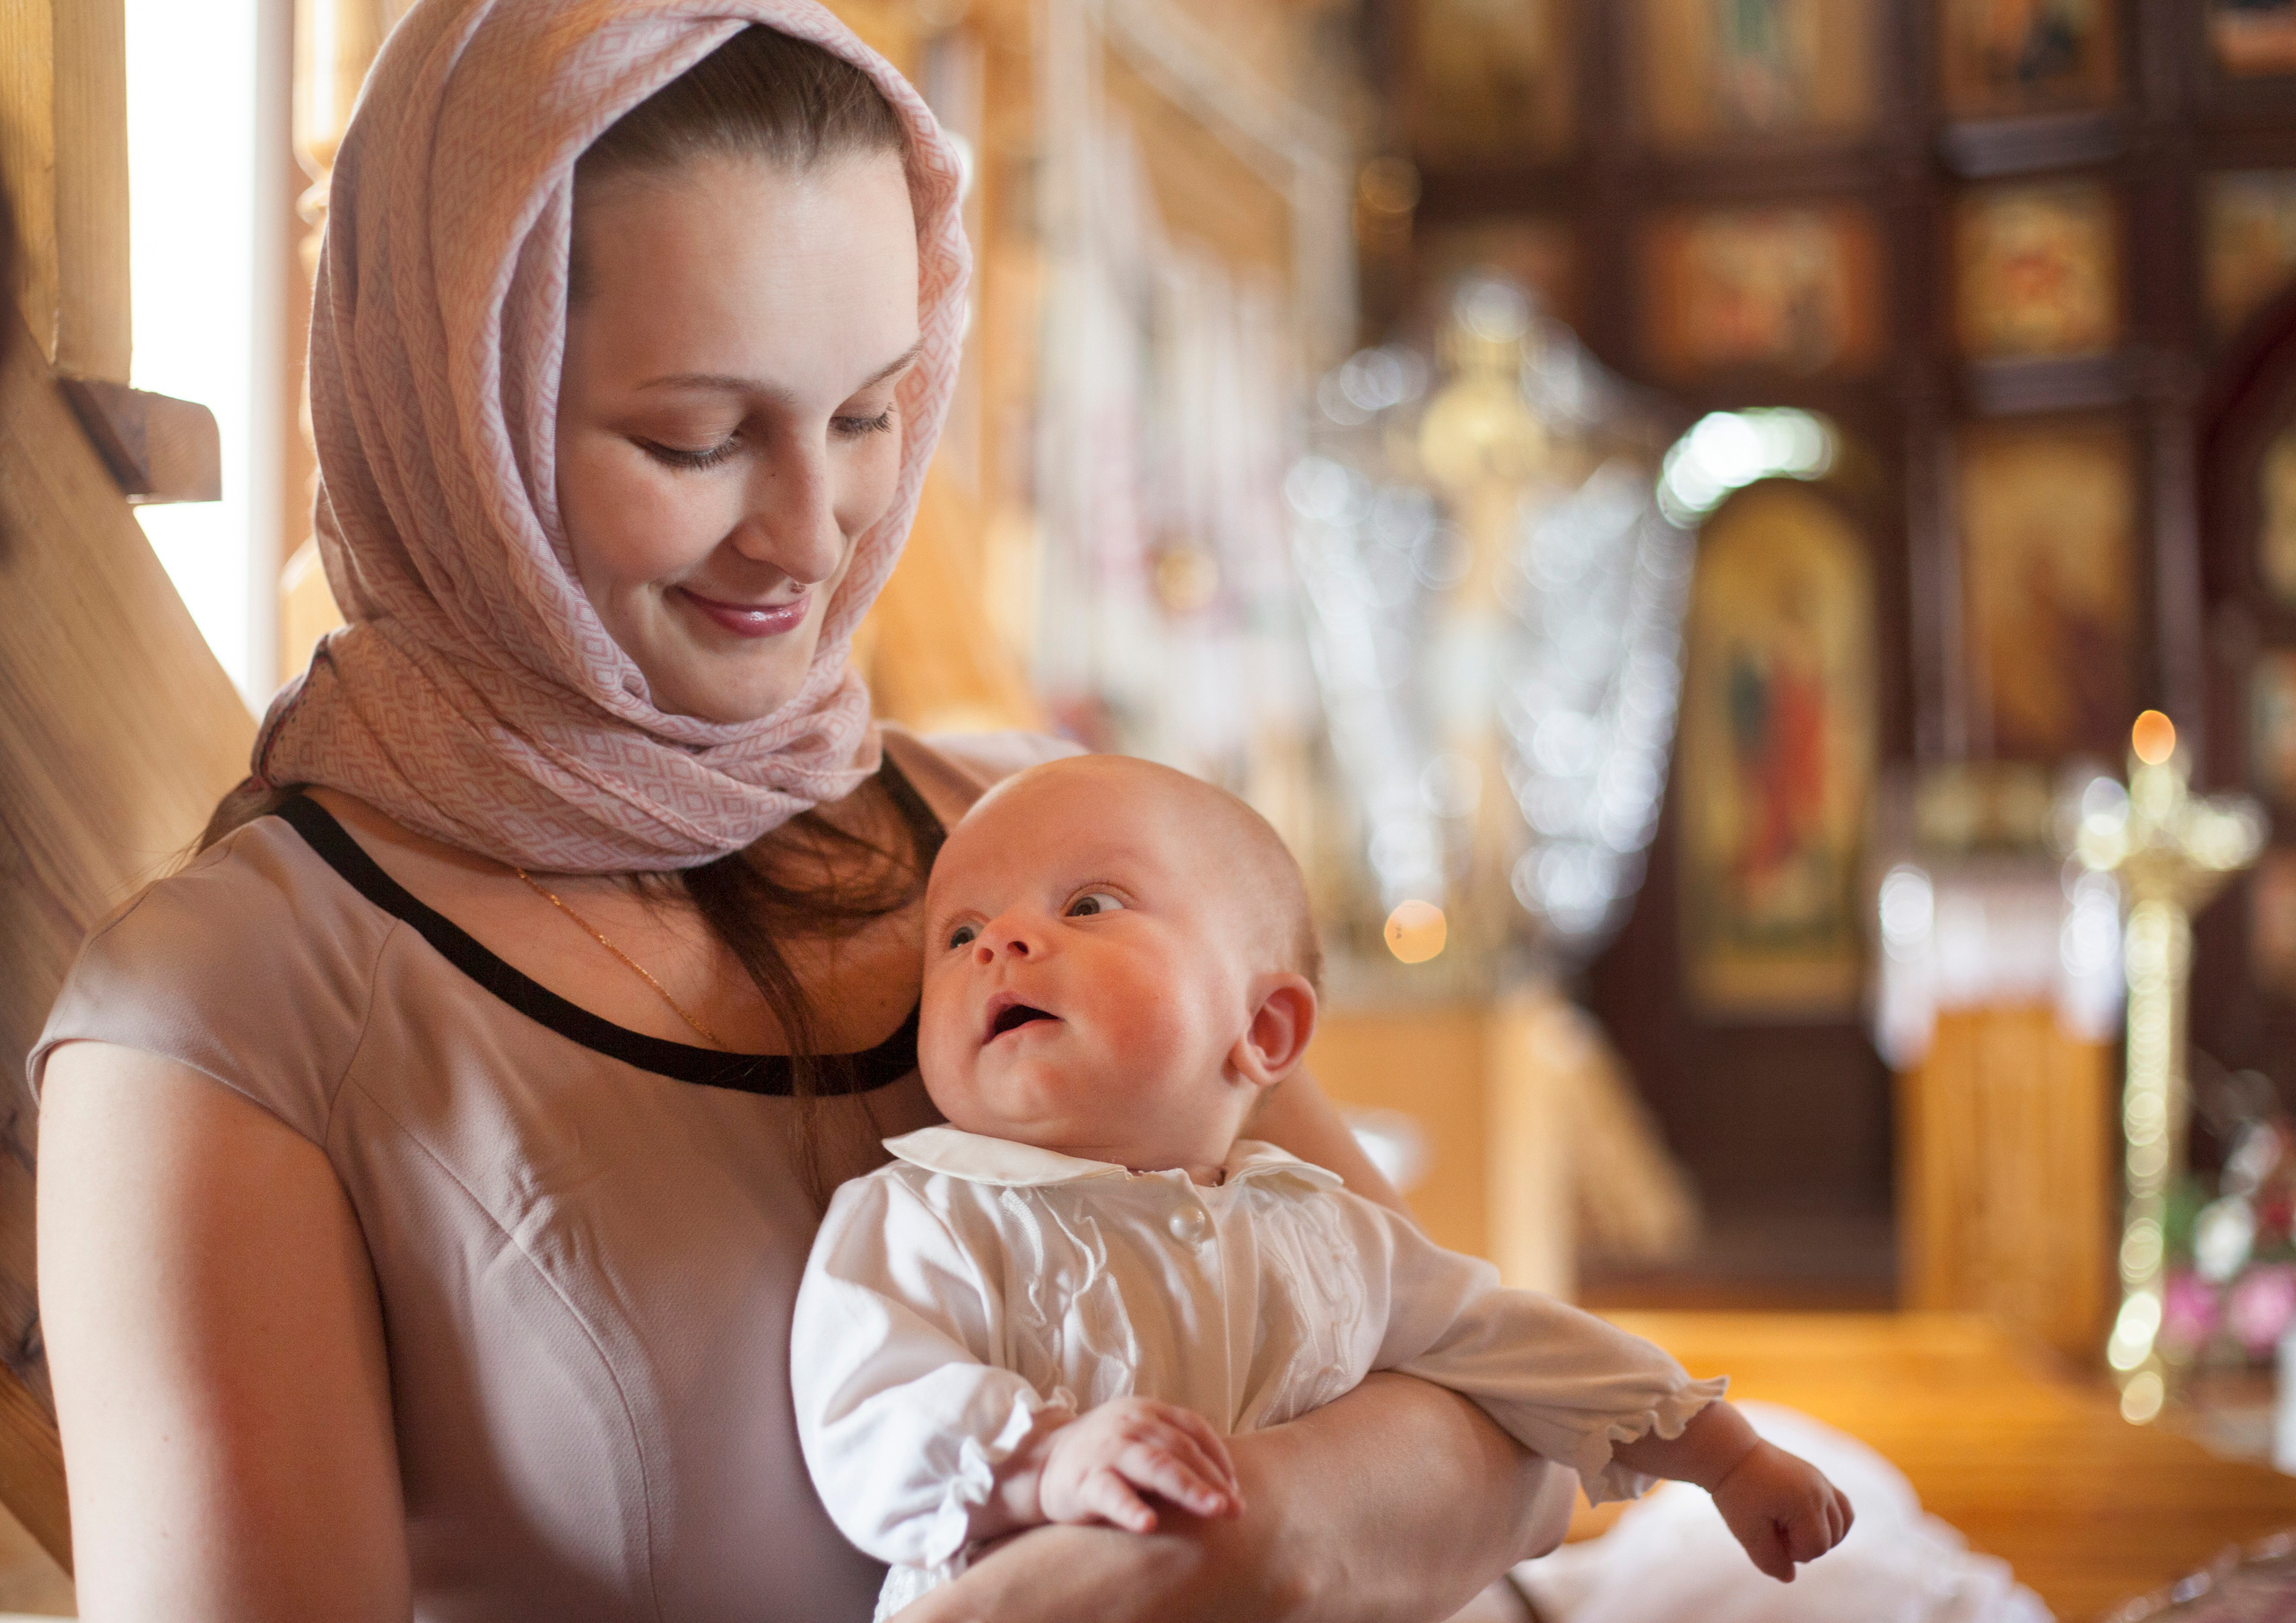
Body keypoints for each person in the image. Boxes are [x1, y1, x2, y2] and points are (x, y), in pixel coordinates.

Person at [29, 4, 1576, 1619]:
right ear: (455, 406)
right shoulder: (233, 1006)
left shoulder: (1017, 828)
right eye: (695, 439)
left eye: (866, 416)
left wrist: (1219, 1546)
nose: (813, 533)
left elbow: (1506, 1418)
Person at [794, 756, 1856, 1619]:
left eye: (1089, 902)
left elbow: (1511, 1342)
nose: (1005, 944)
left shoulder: (1322, 1228)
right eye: (961, 934)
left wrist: (1723, 1453)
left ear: (1261, 1031)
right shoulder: (923, 1213)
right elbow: (871, 1408)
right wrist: (1042, 1462)